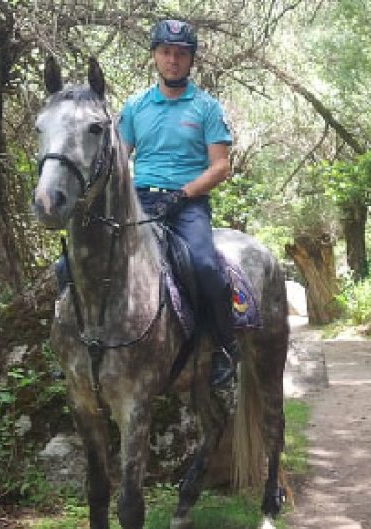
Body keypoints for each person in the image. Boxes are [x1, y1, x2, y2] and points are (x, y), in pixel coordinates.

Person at [119, 19, 238, 387]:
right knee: (75, 262)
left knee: (203, 264)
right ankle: (76, 343)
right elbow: (119, 159)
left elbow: (221, 166)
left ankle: (223, 347)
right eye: (167, 52)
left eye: (181, 54)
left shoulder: (206, 107)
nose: (173, 60)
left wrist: (182, 194)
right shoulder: (135, 106)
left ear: (191, 61)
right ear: (155, 56)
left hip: (188, 203)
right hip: (138, 202)